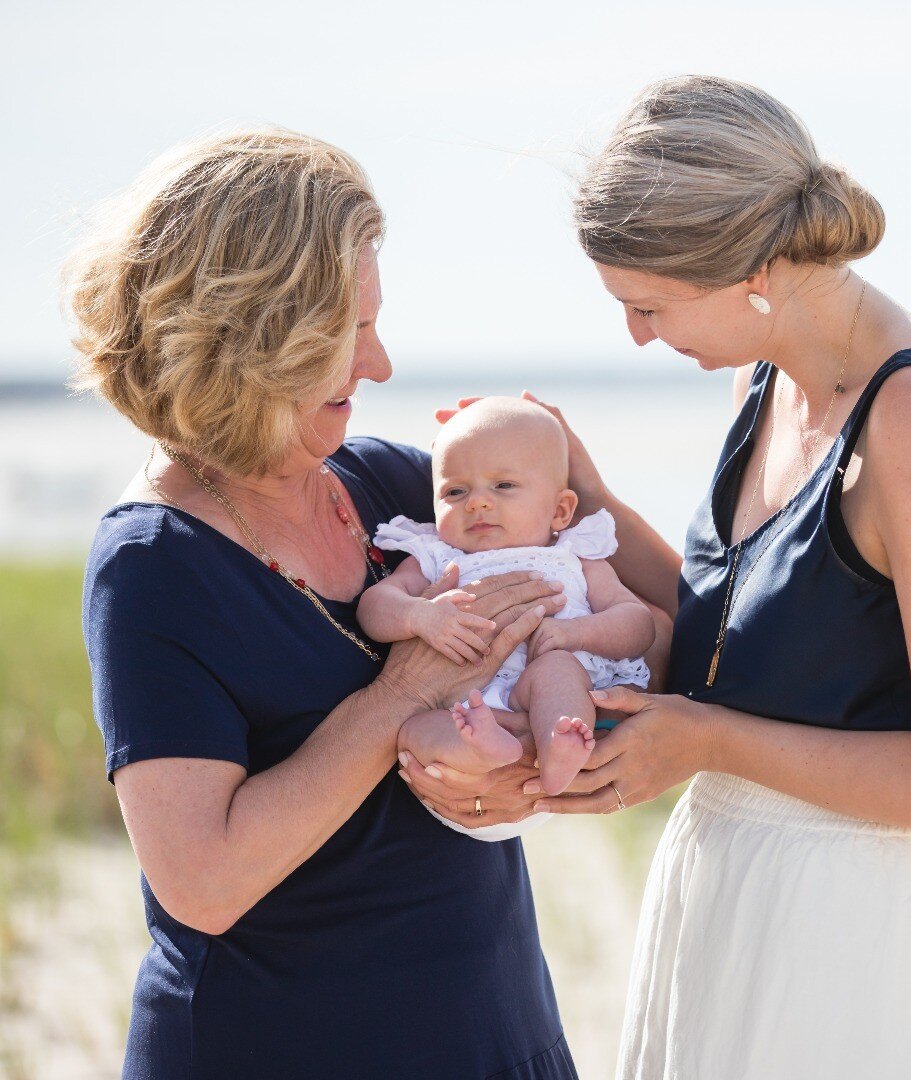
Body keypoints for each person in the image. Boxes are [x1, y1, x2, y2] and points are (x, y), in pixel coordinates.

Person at [405, 77, 911, 1078]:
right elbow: (734, 630)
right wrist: (584, 494)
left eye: (650, 305)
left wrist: (704, 740)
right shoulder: (772, 379)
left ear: (749, 264)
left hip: (870, 925)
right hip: (738, 898)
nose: (638, 337)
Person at [72, 127, 579, 1079]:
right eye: (351, 331)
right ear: (255, 340)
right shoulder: (151, 564)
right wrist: (397, 700)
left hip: (494, 1036)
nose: (379, 365)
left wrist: (555, 450)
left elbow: (644, 611)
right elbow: (205, 883)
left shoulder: (393, 487)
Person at [361, 395, 653, 800]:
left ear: (561, 510)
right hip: (457, 704)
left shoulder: (574, 554)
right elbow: (375, 606)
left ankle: (558, 747)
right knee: (414, 730)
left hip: (537, 686)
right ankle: (478, 755)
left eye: (504, 485)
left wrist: (576, 633)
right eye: (456, 491)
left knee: (558, 673)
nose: (478, 501)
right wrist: (420, 616)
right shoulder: (436, 556)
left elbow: (637, 625)